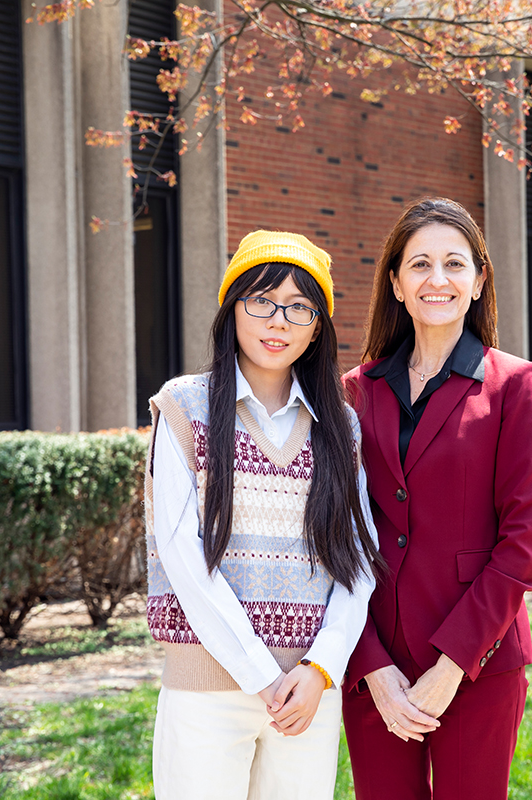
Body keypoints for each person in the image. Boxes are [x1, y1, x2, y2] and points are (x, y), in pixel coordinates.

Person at [144, 230, 383, 800]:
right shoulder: (183, 408)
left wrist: (320, 668)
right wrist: (261, 675)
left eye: (300, 307)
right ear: (233, 309)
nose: (279, 321)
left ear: (317, 326)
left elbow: (359, 559)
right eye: (262, 301)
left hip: (307, 693)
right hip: (207, 689)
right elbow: (182, 556)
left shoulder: (340, 428)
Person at [341, 198, 532, 800]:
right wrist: (370, 665)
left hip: (478, 659)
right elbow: (339, 536)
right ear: (396, 283)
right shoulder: (357, 390)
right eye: (420, 265)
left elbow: (524, 544)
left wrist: (452, 665)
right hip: (375, 664)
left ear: (479, 279)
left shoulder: (514, 384)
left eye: (455, 264)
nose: (438, 280)